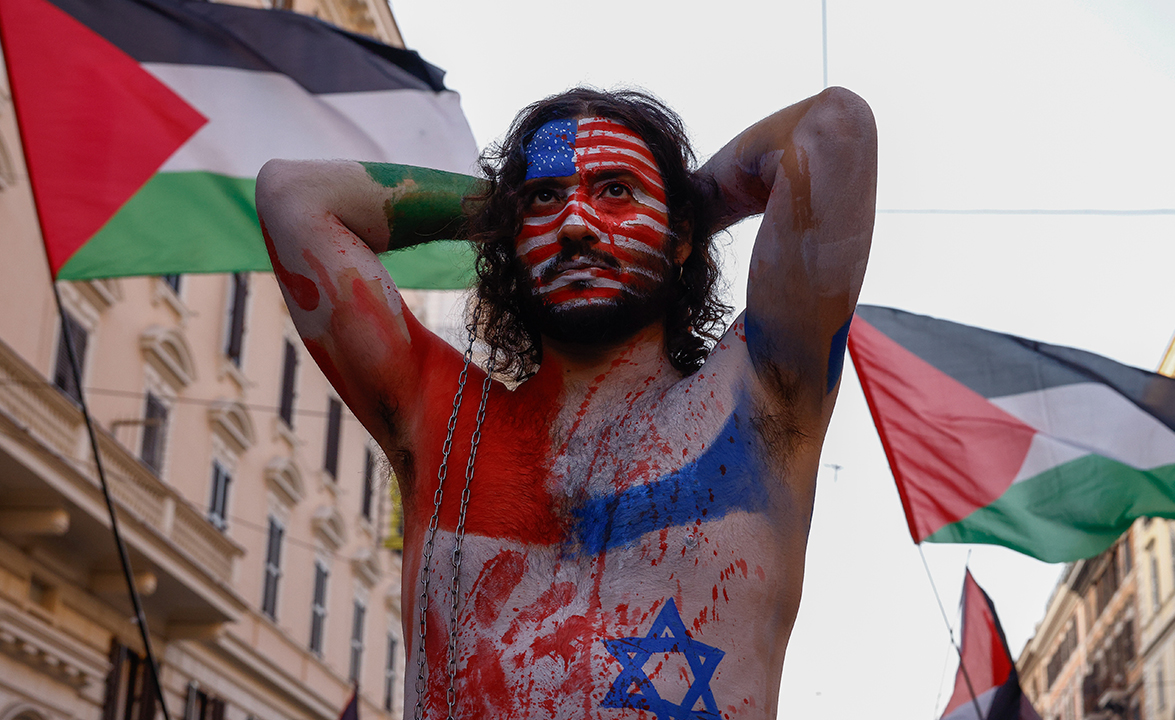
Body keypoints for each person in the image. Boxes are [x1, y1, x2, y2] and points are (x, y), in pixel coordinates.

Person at [256, 85, 876, 720]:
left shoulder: (760, 395)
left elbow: (833, 130)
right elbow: (291, 195)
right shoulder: (443, 420)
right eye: (545, 198)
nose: (576, 223)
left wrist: (684, 206)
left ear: (681, 236)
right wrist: (504, 211)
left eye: (616, 190)